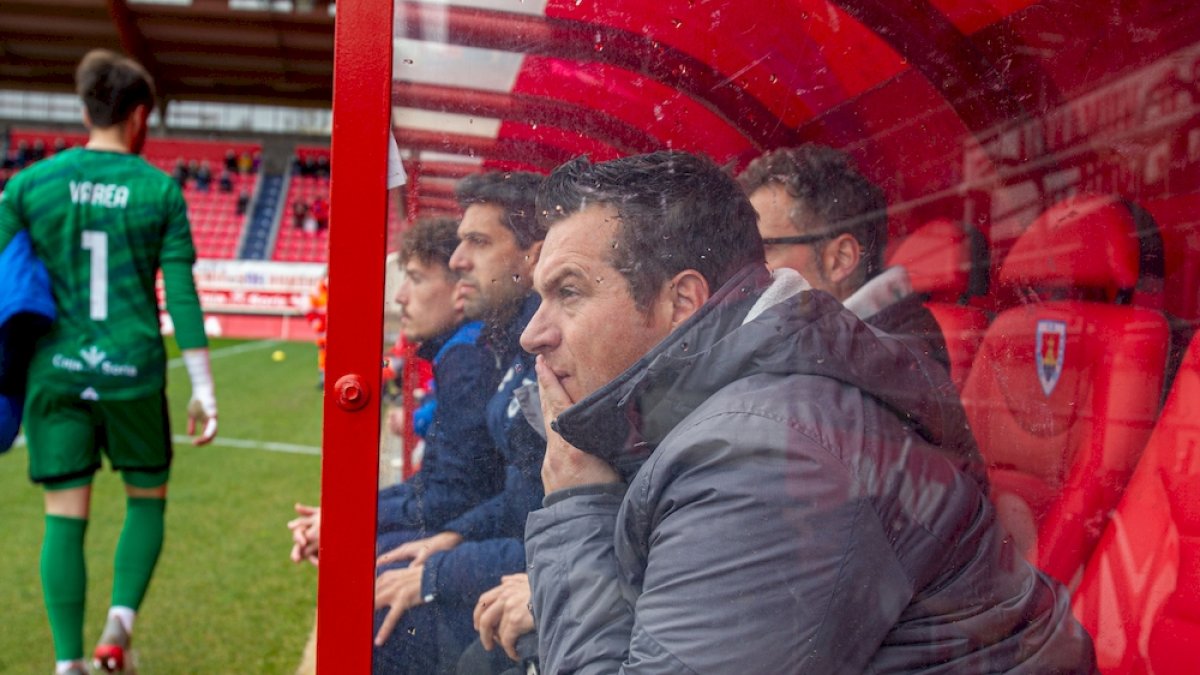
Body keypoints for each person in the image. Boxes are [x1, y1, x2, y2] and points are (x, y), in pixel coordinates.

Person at [518, 151, 1097, 672]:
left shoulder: (768, 452)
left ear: (682, 302)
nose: (531, 334)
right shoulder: (738, 411)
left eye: (568, 292)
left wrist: (577, 506)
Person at [0, 49, 218, 675]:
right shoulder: (158, 190)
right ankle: (114, 634)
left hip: (55, 372)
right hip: (132, 372)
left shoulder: (30, 184)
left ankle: (67, 664)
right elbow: (181, 292)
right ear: (140, 115)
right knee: (146, 499)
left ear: (86, 107)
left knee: (63, 516)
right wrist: (203, 387)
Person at [372, 171, 547, 673]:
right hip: (511, 562)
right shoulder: (514, 347)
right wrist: (452, 541)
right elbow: (517, 498)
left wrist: (441, 569)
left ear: (531, 256)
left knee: (382, 603)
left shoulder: (532, 355)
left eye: (478, 241)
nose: (458, 259)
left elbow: (549, 526)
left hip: (533, 586)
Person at [287, 216, 500, 565]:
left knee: (357, 570)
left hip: (479, 545)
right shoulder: (460, 353)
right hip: (472, 533)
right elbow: (439, 484)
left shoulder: (467, 360)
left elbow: (453, 495)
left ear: (461, 286)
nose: (400, 297)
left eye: (415, 279)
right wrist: (343, 515)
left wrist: (347, 522)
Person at [738, 144, 950, 370]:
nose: (748, 272)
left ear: (840, 259)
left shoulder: (877, 369)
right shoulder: (842, 352)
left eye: (765, 248)